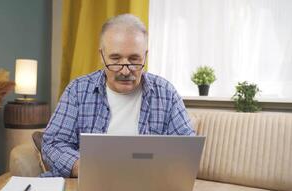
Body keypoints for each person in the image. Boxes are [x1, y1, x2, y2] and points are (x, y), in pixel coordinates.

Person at [41, 14, 195, 178]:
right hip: (92, 182)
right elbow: (53, 143)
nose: (125, 70)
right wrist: (82, 167)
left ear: (145, 56)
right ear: (102, 56)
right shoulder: (77, 91)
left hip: (148, 185)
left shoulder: (166, 93)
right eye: (115, 59)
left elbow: (187, 149)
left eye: (134, 59)